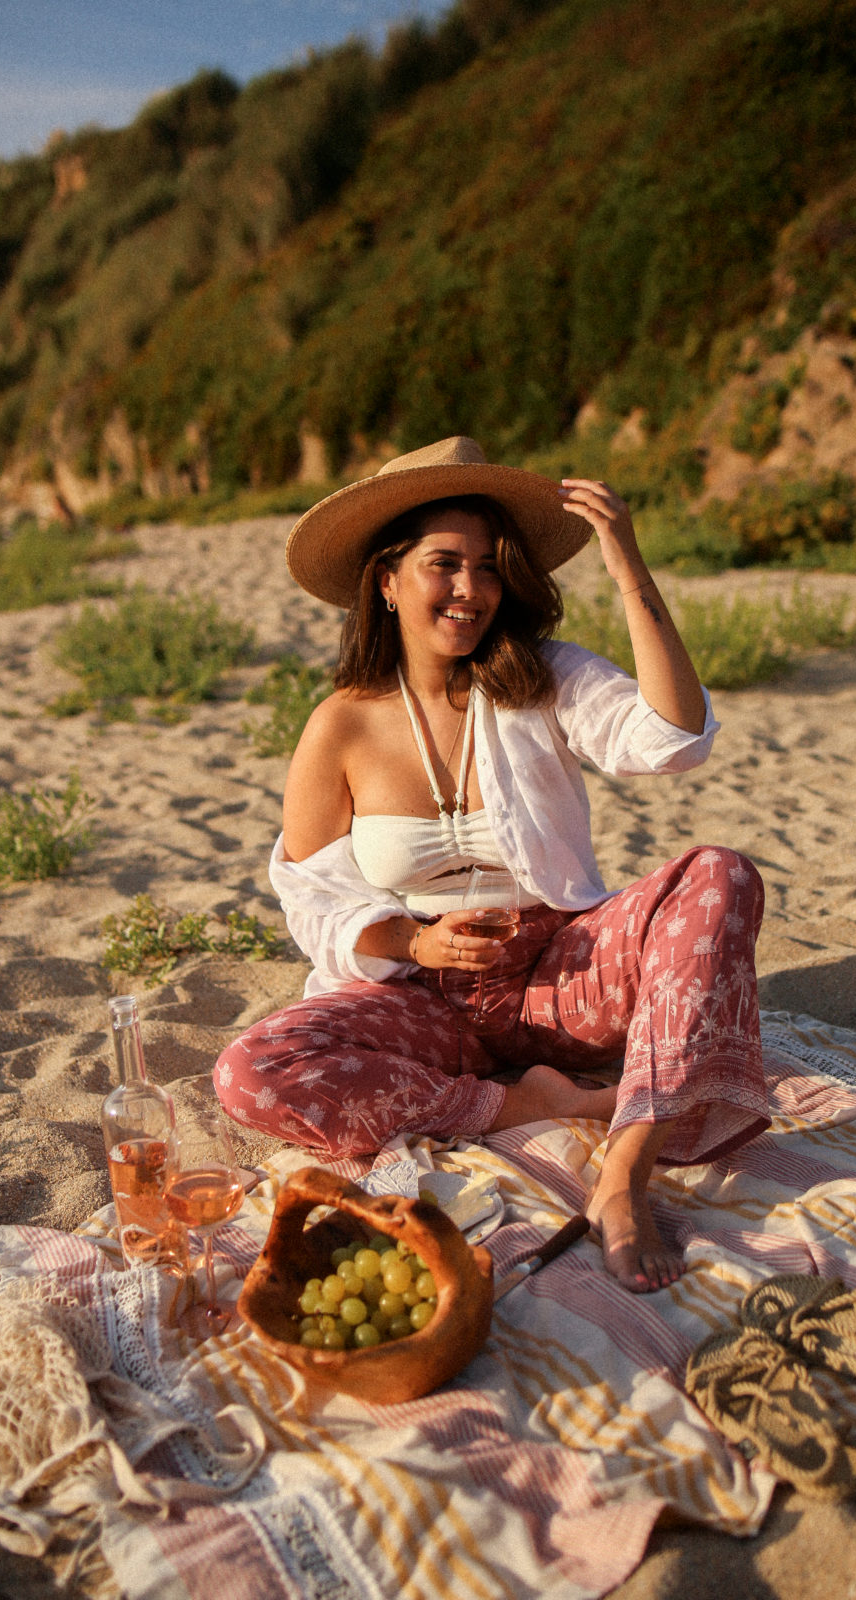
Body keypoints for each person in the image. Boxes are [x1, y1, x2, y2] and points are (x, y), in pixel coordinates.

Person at [214, 436, 768, 1293]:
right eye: (444, 565)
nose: (470, 590)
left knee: (719, 874)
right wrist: (412, 940)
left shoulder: (542, 676)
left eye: (487, 567)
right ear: (387, 580)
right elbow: (309, 888)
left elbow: (673, 739)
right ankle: (525, 1105)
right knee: (251, 1073)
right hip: (422, 997)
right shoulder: (340, 723)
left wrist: (627, 570)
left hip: (560, 976)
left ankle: (623, 1173)